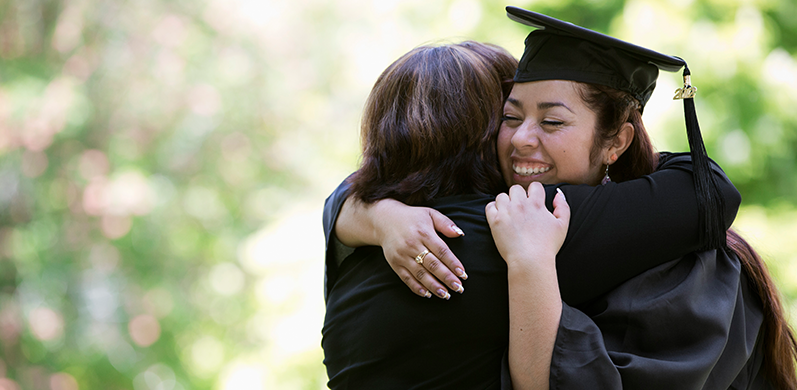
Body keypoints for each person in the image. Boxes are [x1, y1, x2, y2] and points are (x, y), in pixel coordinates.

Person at [323, 7, 797, 390]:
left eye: (552, 122)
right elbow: (705, 189)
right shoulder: (503, 227)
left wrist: (369, 213)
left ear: (617, 141)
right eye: (509, 118)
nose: (522, 139)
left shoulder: (677, 262)